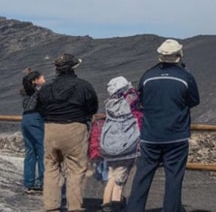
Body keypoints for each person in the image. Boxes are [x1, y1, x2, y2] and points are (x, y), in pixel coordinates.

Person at [126, 38, 201, 212]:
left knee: (142, 176)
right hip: (176, 135)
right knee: (174, 178)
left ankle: (134, 208)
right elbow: (194, 100)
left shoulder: (147, 76)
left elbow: (140, 100)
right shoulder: (185, 77)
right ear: (178, 55)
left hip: (150, 135)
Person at [38, 53, 98, 212]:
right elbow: (93, 107)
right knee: (76, 169)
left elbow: (40, 108)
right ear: (74, 67)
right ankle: (74, 207)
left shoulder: (46, 87)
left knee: (51, 167)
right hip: (74, 128)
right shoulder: (83, 85)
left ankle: (51, 206)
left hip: (51, 128)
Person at [98, 76, 142, 212]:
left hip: (110, 142)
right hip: (125, 143)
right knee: (120, 177)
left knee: (112, 174)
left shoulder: (110, 103)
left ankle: (106, 203)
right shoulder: (130, 101)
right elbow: (137, 101)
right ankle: (116, 203)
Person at [20, 68, 46, 195]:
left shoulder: (26, 92)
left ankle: (28, 183)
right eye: (42, 78)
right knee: (41, 150)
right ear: (36, 81)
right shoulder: (39, 92)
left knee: (30, 151)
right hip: (36, 119)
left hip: (25, 119)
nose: (44, 80)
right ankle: (41, 182)